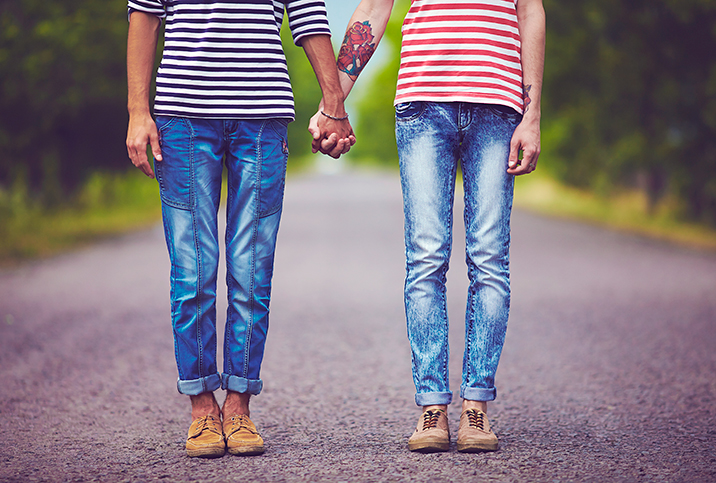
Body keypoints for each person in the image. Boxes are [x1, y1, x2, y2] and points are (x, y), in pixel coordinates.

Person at [312, 0, 545, 453]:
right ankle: (432, 406)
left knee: (490, 257)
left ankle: (476, 407)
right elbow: (374, 9)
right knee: (425, 256)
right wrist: (332, 102)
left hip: (499, 103)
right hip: (422, 104)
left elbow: (530, 12)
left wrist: (532, 116)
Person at [125, 0, 354, 458]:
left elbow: (308, 13)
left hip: (262, 117)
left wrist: (334, 103)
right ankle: (201, 406)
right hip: (183, 116)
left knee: (252, 271)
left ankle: (239, 404)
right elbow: (145, 15)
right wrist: (137, 110)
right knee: (193, 270)